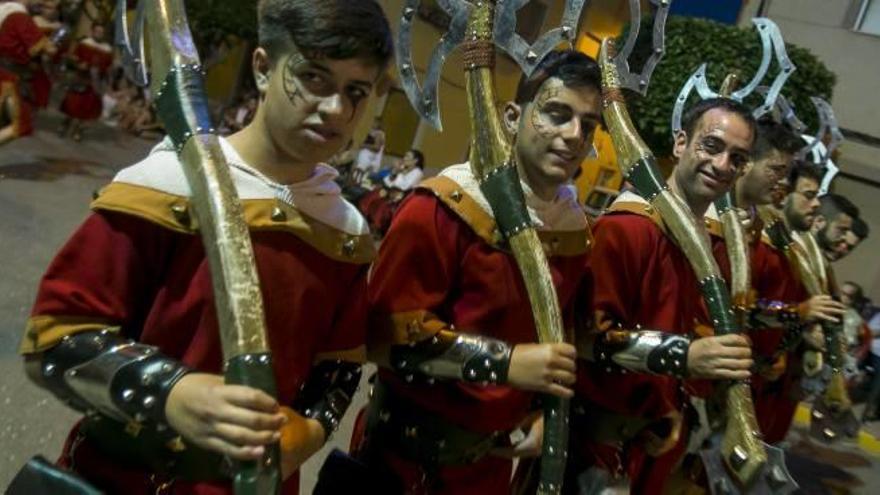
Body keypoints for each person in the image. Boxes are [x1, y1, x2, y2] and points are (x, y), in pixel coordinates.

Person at [19, 1, 393, 494]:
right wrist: (169, 392)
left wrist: (308, 431)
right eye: (314, 78)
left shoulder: (344, 232)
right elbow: (54, 338)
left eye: (355, 92)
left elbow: (338, 369)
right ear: (263, 68)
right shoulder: (164, 188)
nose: (335, 110)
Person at [355, 49, 600, 494]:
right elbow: (384, 338)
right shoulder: (443, 207)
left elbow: (561, 341)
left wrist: (542, 413)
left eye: (588, 124)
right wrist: (505, 364)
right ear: (512, 116)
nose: (573, 135)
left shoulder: (573, 228)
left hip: (488, 469)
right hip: (402, 466)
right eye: (557, 114)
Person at [572, 98, 756, 494]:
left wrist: (667, 406)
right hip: (590, 448)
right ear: (680, 143)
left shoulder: (706, 242)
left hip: (650, 439)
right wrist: (684, 356)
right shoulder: (629, 229)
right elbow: (585, 339)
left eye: (737, 158)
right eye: (712, 146)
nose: (723, 165)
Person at [0, 0, 56, 144]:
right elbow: (40, 48)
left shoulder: (6, 12)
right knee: (19, 125)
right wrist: (51, 45)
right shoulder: (20, 16)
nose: (41, 3)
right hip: (8, 77)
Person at [58, 23, 113, 141]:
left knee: (87, 109)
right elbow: (72, 58)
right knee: (72, 105)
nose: (99, 34)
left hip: (95, 83)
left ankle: (78, 130)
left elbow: (108, 68)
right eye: (97, 31)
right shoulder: (84, 43)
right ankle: (65, 124)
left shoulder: (107, 50)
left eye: (102, 32)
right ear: (93, 31)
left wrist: (106, 82)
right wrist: (79, 64)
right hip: (80, 79)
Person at [358, 149, 426, 235]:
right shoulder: (403, 169)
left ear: (416, 160)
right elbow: (387, 182)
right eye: (404, 156)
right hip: (391, 193)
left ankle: (376, 228)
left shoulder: (417, 173)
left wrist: (400, 173)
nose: (404, 158)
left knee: (382, 204)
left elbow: (404, 186)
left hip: (402, 198)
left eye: (408, 156)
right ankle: (366, 222)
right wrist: (394, 172)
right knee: (372, 196)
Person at [813, 193, 860, 262]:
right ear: (819, 221)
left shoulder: (817, 261)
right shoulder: (794, 255)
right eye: (842, 230)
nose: (844, 237)